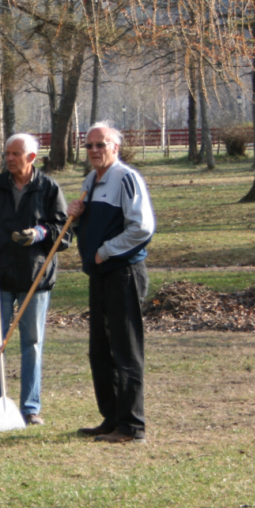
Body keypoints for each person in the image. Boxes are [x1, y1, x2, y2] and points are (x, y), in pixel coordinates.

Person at [0, 133, 69, 427]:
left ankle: (30, 408)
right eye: (7, 153)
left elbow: (65, 231)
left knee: (32, 343)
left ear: (31, 158)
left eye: (16, 154)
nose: (9, 158)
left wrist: (39, 233)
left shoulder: (48, 187)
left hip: (35, 276)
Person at [65, 122, 156, 443]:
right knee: (100, 349)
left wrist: (105, 252)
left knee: (125, 348)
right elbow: (91, 225)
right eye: (89, 145)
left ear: (115, 147)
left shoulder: (126, 178)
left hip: (123, 272)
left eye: (100, 145)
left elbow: (142, 227)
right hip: (99, 274)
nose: (93, 151)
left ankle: (131, 426)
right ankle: (112, 418)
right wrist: (75, 215)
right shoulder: (91, 179)